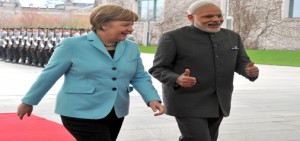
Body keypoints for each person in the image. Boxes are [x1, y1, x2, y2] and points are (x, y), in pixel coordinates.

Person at [17, 4, 164, 141]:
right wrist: (28, 101)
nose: (131, 29)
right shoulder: (72, 45)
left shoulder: (131, 47)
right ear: (104, 24)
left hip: (116, 111)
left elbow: (139, 76)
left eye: (132, 24)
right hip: (79, 111)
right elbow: (49, 75)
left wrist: (152, 98)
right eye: (125, 24)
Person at [148, 1, 259, 141]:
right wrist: (177, 79)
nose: (216, 20)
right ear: (190, 18)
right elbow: (158, 68)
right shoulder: (172, 37)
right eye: (208, 16)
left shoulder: (232, 36)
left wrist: (249, 71)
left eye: (219, 15)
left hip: (219, 102)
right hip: (187, 102)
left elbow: (242, 62)